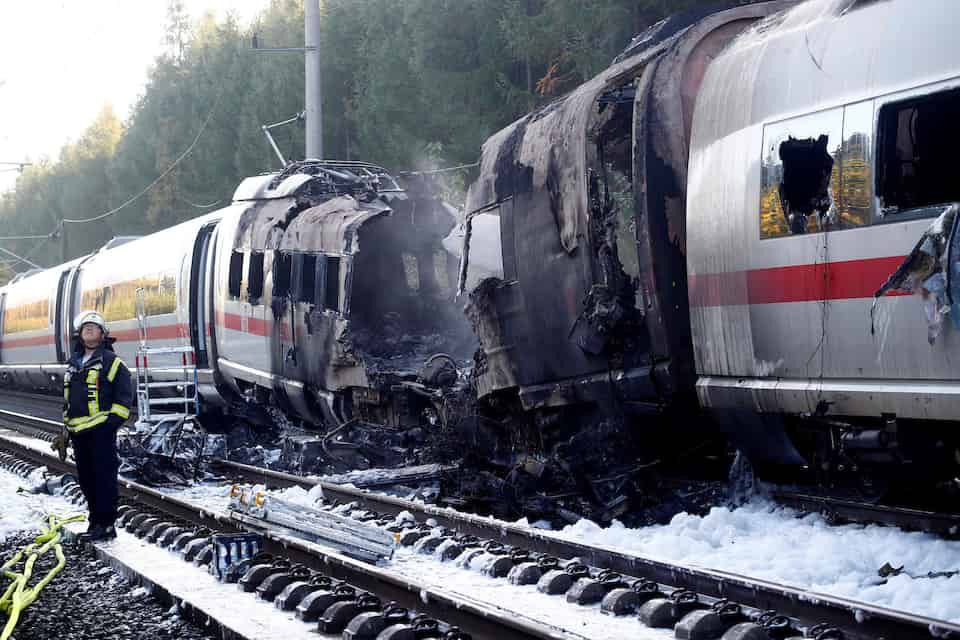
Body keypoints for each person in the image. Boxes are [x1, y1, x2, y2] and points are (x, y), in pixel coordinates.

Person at [61, 310, 133, 541]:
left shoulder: (112, 362)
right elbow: (68, 399)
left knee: (104, 479)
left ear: (103, 334)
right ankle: (95, 523)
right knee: (87, 480)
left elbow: (124, 398)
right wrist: (65, 429)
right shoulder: (73, 364)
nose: (89, 330)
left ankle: (107, 525)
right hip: (78, 433)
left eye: (94, 327)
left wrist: (110, 425)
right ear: (79, 335)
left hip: (101, 431)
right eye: (85, 327)